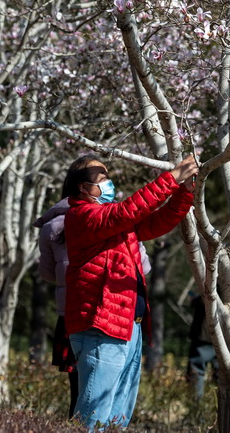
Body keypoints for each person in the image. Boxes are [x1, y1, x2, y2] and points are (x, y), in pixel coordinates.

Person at [64, 153, 198, 428]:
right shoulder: (82, 215)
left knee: (117, 416)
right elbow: (129, 211)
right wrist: (172, 178)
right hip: (101, 326)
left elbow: (156, 222)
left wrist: (184, 193)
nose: (109, 182)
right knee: (94, 414)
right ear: (82, 187)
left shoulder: (114, 223)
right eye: (102, 178)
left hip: (127, 325)